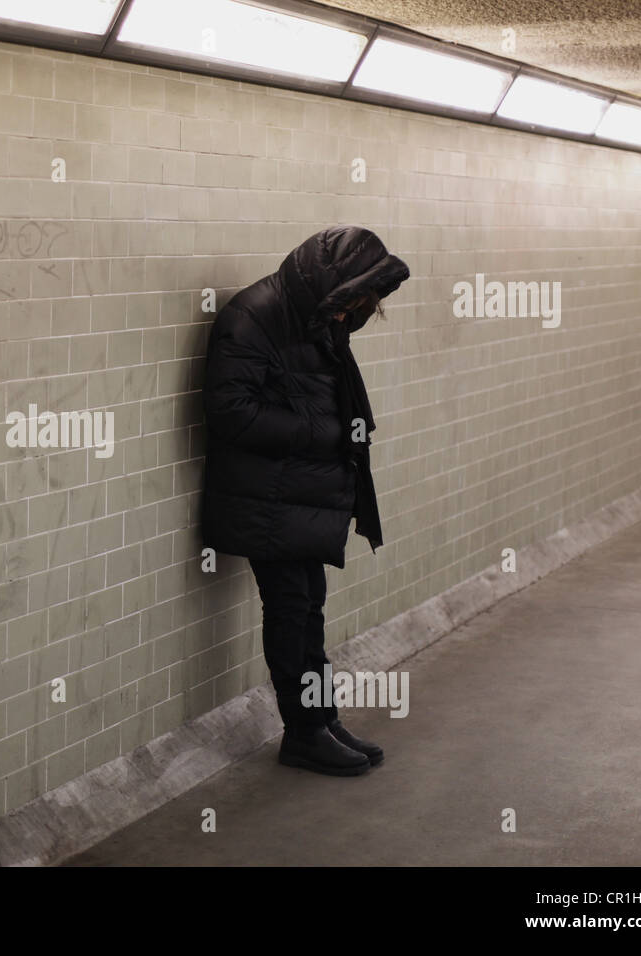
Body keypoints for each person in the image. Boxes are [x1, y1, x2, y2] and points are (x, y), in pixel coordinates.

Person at [201, 225, 410, 776]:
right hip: (266, 496)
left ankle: (321, 718)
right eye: (350, 306)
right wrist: (325, 435)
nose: (351, 317)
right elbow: (229, 411)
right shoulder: (255, 317)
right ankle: (303, 732)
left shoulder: (312, 316)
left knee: (309, 608)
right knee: (293, 612)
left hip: (297, 491)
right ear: (330, 286)